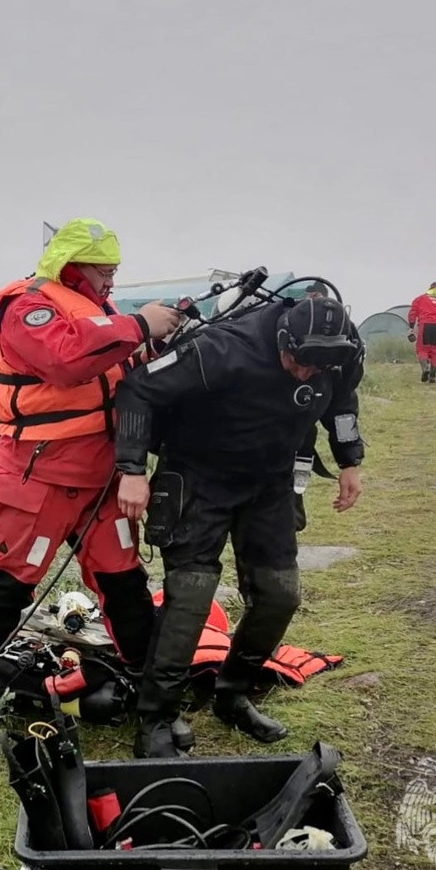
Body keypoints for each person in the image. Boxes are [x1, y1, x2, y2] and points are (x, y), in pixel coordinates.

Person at [0, 218, 183, 762]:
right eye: (104, 269)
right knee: (7, 586)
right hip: (40, 478)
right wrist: (141, 324)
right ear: (73, 265)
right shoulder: (28, 306)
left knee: (126, 587)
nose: (112, 279)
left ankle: (154, 704)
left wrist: (161, 336)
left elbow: (128, 368)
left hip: (104, 478)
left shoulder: (107, 313)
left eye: (115, 270)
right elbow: (66, 360)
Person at [112, 292, 365, 757]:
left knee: (279, 595)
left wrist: (350, 460)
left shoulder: (337, 353)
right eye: (298, 363)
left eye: (317, 369)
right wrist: (131, 470)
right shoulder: (222, 349)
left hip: (269, 482)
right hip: (198, 478)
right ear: (283, 341)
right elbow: (138, 389)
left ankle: (234, 693)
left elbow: (342, 402)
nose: (306, 374)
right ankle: (157, 716)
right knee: (190, 597)